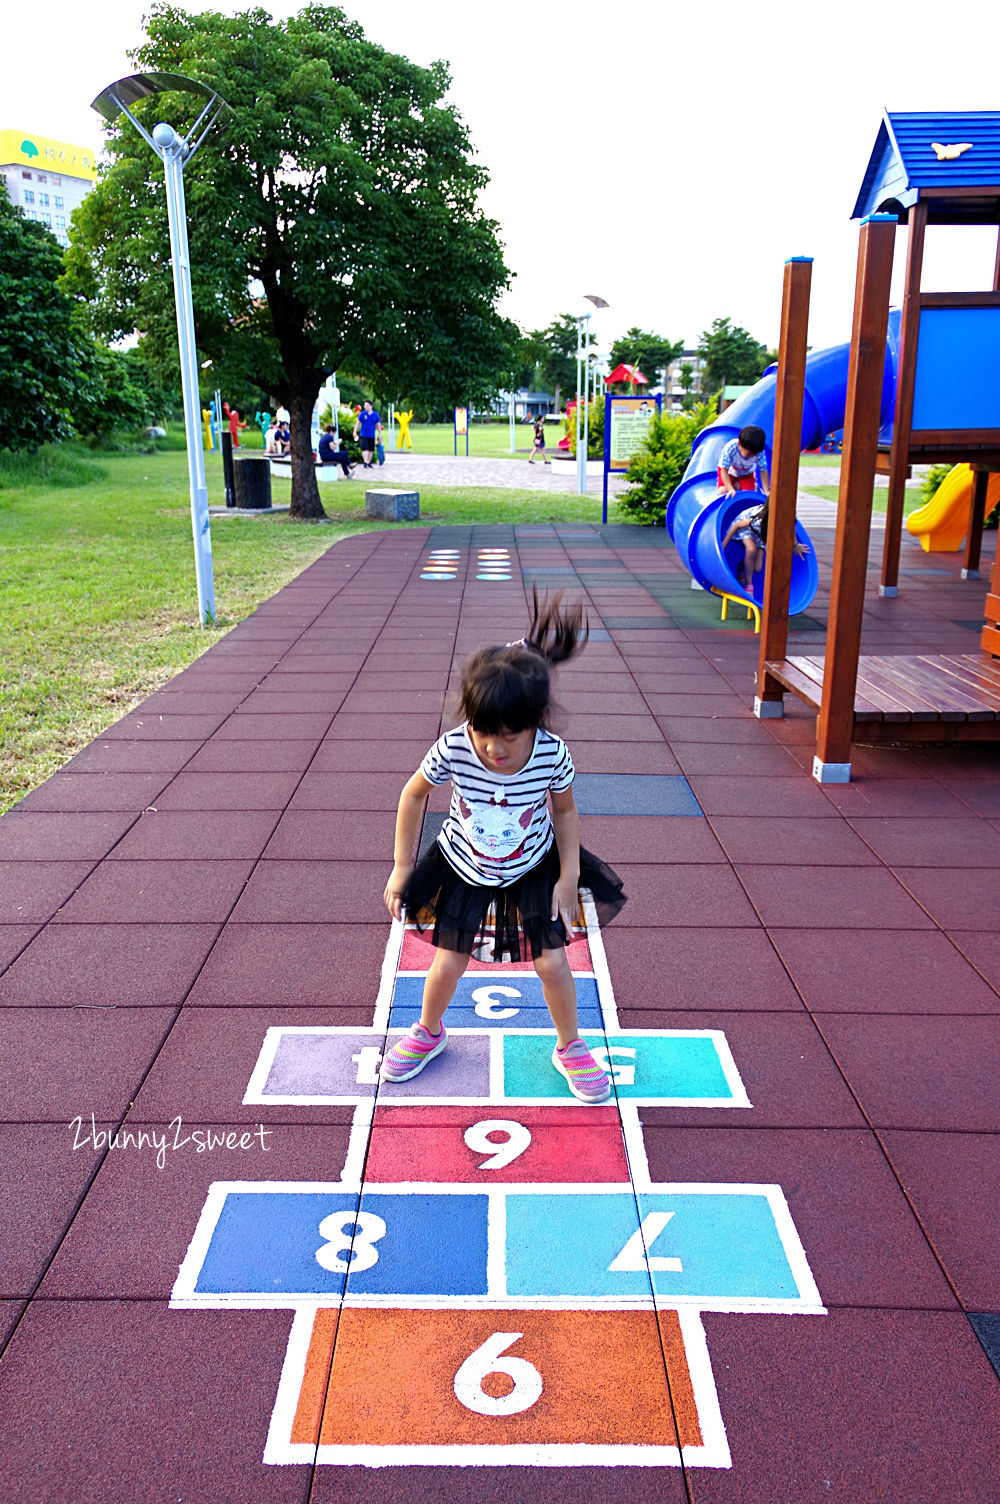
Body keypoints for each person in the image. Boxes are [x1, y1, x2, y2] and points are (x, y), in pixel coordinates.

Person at [381, 592, 626, 1103]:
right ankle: (429, 1030)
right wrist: (402, 866)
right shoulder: (453, 747)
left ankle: (570, 1045)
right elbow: (412, 795)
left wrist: (566, 876)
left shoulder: (552, 755)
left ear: (536, 722)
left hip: (531, 868)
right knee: (449, 959)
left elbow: (564, 811)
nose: (493, 748)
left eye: (508, 737)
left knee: (552, 962)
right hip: (463, 866)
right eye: (483, 732)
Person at [719, 426, 809, 587]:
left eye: (753, 454)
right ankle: (748, 585)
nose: (750, 456)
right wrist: (723, 544)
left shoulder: (757, 453)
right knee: (724, 490)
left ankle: (742, 568)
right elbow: (724, 471)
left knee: (759, 567)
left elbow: (763, 471)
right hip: (730, 473)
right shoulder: (731, 449)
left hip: (747, 475)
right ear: (739, 444)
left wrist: (766, 490)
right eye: (748, 453)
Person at [353, 400, 382, 469]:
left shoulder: (375, 415)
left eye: (367, 405)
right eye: (365, 405)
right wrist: (355, 431)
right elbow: (357, 423)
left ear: (371, 406)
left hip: (372, 434)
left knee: (370, 449)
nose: (366, 407)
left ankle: (368, 462)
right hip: (364, 434)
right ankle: (365, 462)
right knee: (365, 448)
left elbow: (378, 425)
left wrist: (380, 434)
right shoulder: (362, 414)